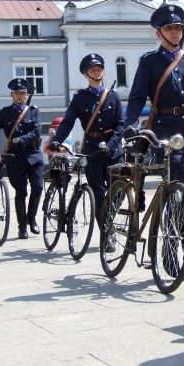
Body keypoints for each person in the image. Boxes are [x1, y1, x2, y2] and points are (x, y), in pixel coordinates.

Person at [123, 4, 184, 282]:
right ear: (158, 33)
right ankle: (169, 254)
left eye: (178, 28)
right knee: (176, 193)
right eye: (169, 28)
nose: (175, 33)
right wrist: (130, 125)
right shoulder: (149, 62)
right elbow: (137, 97)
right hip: (164, 134)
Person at [48, 53, 124, 233]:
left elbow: (121, 123)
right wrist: (57, 140)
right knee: (98, 193)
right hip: (92, 149)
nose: (97, 72)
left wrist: (113, 145)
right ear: (85, 74)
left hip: (114, 151)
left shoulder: (113, 96)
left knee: (118, 191)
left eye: (99, 69)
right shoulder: (80, 98)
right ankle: (106, 232)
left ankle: (109, 219)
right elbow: (68, 122)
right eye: (93, 70)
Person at [0, 79, 44, 240]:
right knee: (21, 192)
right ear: (11, 94)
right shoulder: (5, 113)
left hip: (33, 155)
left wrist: (22, 139)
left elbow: (36, 131)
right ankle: (22, 226)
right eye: (16, 93)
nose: (20, 96)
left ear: (26, 94)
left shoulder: (33, 111)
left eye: (22, 93)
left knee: (38, 186)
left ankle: (31, 217)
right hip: (14, 157)